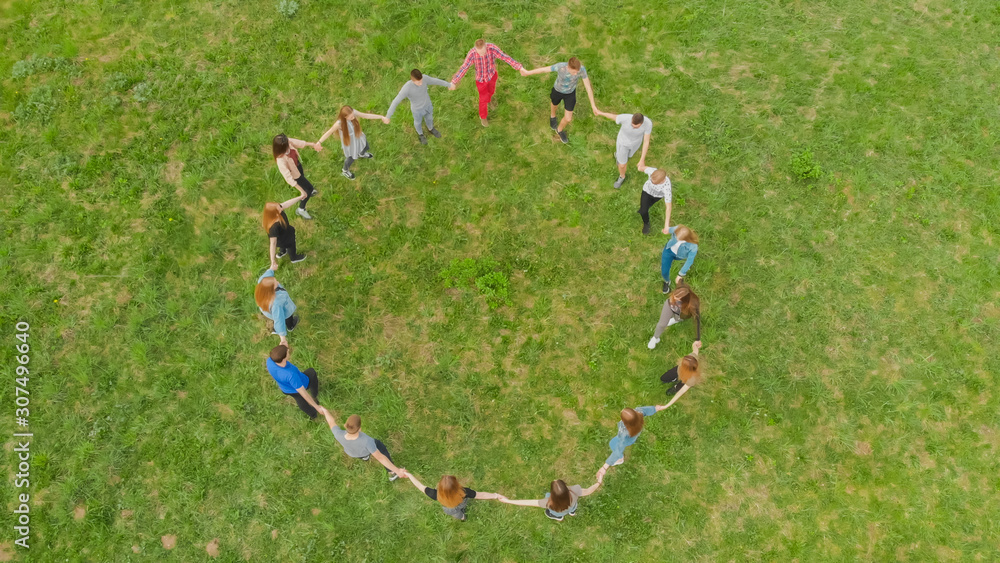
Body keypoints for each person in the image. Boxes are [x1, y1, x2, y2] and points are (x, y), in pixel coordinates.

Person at [519, 56, 596, 144]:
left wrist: (593, 106)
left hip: (570, 94)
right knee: (554, 104)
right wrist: (528, 73)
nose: (576, 74)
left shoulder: (582, 70)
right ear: (569, 67)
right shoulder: (561, 67)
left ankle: (559, 130)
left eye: (577, 72)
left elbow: (588, 88)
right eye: (574, 72)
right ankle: (552, 116)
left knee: (568, 118)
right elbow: (544, 70)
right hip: (557, 91)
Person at [318, 407, 407, 481]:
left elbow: (331, 422)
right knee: (382, 449)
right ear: (359, 429)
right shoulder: (367, 441)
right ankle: (392, 473)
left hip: (353, 453)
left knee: (362, 455)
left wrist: (325, 411)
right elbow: (380, 458)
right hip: (366, 449)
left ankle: (365, 457)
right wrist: (397, 471)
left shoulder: (339, 434)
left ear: (346, 425)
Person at [451, 39, 524, 127]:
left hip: (492, 76)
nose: (482, 55)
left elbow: (505, 57)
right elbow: (464, 68)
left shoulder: (492, 48)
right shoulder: (472, 54)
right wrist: (454, 81)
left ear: (486, 46)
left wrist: (519, 67)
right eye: (479, 53)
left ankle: (489, 100)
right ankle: (483, 117)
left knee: (491, 91)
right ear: (475, 49)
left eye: (483, 52)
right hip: (481, 81)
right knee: (483, 100)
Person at [498, 468, 606, 522]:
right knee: (573, 507)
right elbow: (588, 490)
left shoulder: (548, 502)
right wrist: (598, 482)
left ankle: (559, 517)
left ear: (553, 494)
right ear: (566, 487)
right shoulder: (575, 490)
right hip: (572, 505)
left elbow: (528, 502)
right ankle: (572, 512)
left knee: (551, 513)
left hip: (558, 511)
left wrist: (508, 501)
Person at [317, 105, 389, 180]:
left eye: (353, 116)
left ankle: (361, 154)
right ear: (345, 117)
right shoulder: (339, 123)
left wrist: (381, 117)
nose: (353, 118)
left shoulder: (353, 112)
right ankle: (345, 170)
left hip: (358, 136)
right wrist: (319, 142)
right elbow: (329, 132)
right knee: (351, 158)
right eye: (351, 117)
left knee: (366, 146)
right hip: (350, 143)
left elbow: (366, 115)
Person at [386, 69, 454, 145]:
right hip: (417, 110)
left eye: (421, 80)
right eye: (418, 82)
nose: (421, 83)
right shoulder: (407, 88)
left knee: (429, 118)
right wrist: (388, 116)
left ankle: (431, 128)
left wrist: (449, 84)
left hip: (428, 105)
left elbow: (436, 81)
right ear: (413, 80)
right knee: (418, 122)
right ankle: (420, 134)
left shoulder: (424, 78)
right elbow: (396, 101)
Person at [404, 473, 504, 521]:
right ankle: (463, 513)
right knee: (463, 506)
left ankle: (463, 518)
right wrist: (495, 495)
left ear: (440, 487)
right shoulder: (464, 492)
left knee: (458, 515)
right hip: (461, 503)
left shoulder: (435, 494)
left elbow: (420, 486)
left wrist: (408, 475)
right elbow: (481, 495)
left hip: (449, 509)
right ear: (456, 485)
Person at [593, 108, 652, 189]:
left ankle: (619, 156)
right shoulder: (625, 118)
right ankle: (622, 176)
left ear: (641, 123)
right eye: (632, 125)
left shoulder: (648, 124)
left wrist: (642, 160)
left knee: (628, 156)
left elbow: (646, 141)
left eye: (636, 127)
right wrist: (600, 113)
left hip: (635, 144)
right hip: (623, 144)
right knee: (622, 165)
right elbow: (613, 116)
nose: (633, 128)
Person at [264, 345, 321, 419]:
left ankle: (313, 415)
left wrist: (283, 342)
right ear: (284, 358)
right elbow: (303, 393)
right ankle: (314, 395)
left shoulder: (270, 361)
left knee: (299, 399)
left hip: (286, 389)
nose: (289, 352)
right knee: (311, 372)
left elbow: (277, 353)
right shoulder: (290, 375)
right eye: (288, 352)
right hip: (301, 384)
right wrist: (316, 407)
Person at [272, 134, 320, 220]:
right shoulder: (281, 161)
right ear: (281, 148)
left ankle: (306, 191)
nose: (289, 144)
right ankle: (301, 209)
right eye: (287, 145)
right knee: (309, 189)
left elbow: (298, 143)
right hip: (295, 176)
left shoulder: (286, 141)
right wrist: (302, 191)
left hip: (297, 166)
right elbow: (289, 178)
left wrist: (312, 144)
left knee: (304, 181)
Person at [647, 281, 700, 350]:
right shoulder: (671, 301)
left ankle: (675, 319)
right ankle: (655, 338)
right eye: (674, 297)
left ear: (685, 302)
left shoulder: (693, 306)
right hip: (670, 307)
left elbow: (697, 320)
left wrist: (697, 338)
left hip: (682, 313)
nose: (673, 300)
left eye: (677, 300)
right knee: (662, 324)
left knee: (680, 318)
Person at [255, 269, 298, 347]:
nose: (278, 283)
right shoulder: (276, 303)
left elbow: (264, 277)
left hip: (269, 312)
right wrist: (283, 339)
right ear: (270, 290)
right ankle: (290, 326)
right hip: (283, 311)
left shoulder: (262, 286)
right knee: (286, 318)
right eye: (275, 284)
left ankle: (275, 329)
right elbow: (279, 320)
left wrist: (271, 268)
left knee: (275, 318)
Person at [263, 197, 307, 270]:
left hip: (283, 235)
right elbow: (273, 243)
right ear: (274, 213)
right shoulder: (273, 227)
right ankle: (294, 258)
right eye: (279, 208)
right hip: (285, 239)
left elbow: (286, 204)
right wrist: (273, 261)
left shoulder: (277, 212)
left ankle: (282, 252)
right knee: (291, 245)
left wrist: (300, 197)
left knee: (282, 246)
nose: (281, 208)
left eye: (280, 206)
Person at [660, 224, 699, 294]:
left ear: (686, 238)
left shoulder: (693, 246)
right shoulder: (677, 229)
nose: (676, 240)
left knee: (687, 264)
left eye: (679, 239)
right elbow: (668, 229)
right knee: (664, 271)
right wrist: (666, 230)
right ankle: (667, 281)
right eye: (676, 236)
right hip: (669, 251)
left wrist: (680, 274)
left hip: (680, 256)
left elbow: (689, 261)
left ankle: (685, 269)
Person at [636, 164, 672, 235]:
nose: (651, 182)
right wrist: (640, 167)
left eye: (654, 183)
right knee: (643, 211)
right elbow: (641, 167)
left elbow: (668, 207)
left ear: (662, 181)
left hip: (656, 196)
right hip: (646, 191)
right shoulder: (652, 171)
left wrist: (666, 225)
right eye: (651, 180)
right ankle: (646, 223)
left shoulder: (666, 187)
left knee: (647, 206)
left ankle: (644, 210)